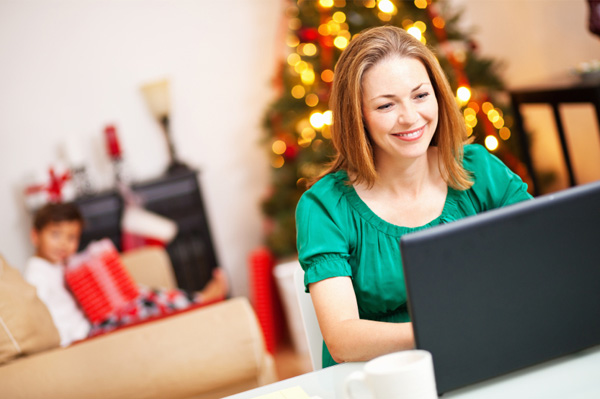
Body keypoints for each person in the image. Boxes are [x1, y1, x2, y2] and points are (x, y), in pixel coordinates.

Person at [295, 26, 533, 369]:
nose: (410, 117)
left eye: (420, 95)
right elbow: (342, 339)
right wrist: (445, 331)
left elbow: (539, 261)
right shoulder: (324, 207)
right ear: (357, 116)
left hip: (485, 356)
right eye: (386, 105)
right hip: (380, 379)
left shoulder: (482, 170)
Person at [24, 202, 229, 346]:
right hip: (83, 335)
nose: (63, 244)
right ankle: (199, 301)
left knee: (141, 294)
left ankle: (197, 299)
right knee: (138, 307)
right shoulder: (36, 275)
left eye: (71, 237)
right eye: (55, 234)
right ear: (35, 236)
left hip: (93, 323)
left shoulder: (59, 265)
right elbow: (43, 319)